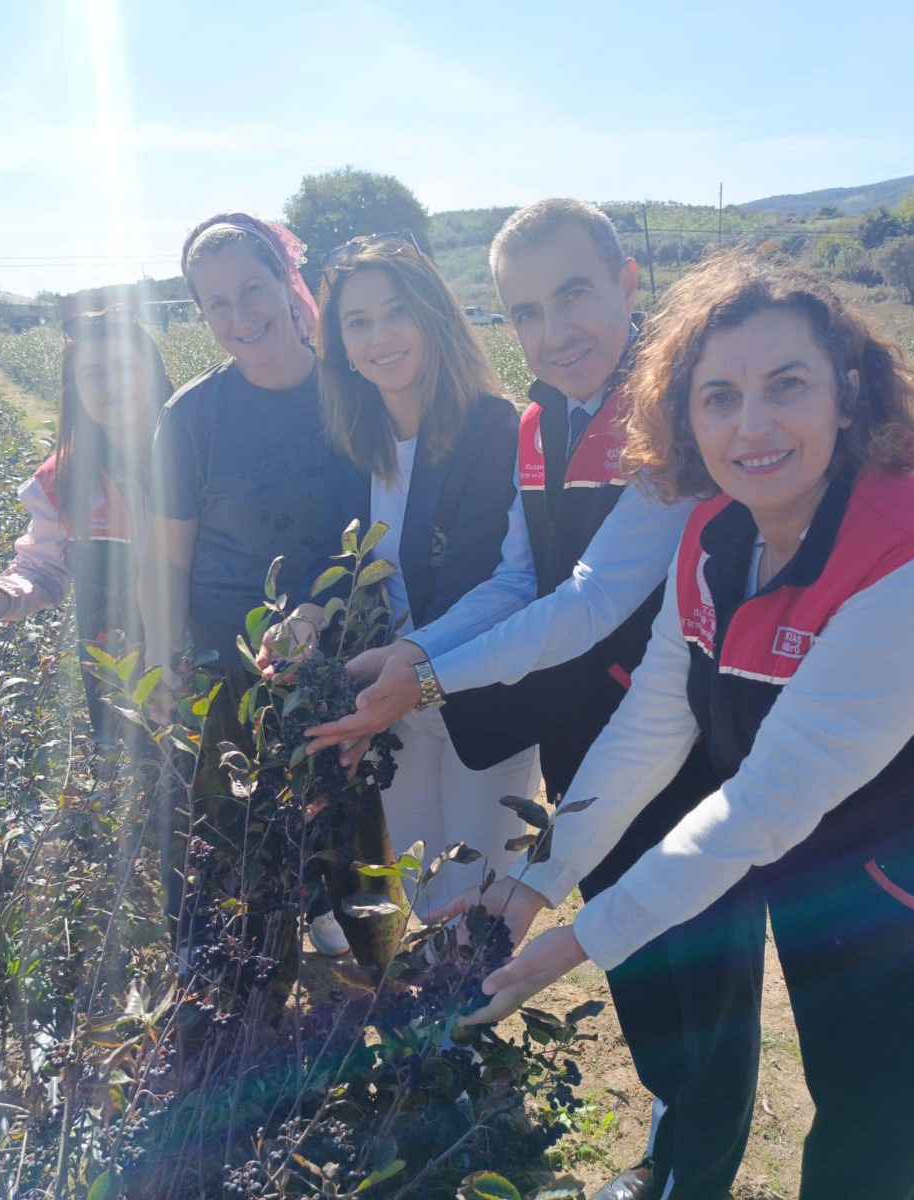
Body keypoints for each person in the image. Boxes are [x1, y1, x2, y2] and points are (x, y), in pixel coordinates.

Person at [440, 251, 914, 1200]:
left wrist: (576, 944)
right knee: (842, 1117)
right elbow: (653, 724)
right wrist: (537, 883)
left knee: (860, 1173)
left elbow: (764, 803)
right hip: (835, 906)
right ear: (683, 418)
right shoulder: (718, 535)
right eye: (718, 397)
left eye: (786, 384)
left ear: (848, 393)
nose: (751, 424)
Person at [304, 200, 753, 1198]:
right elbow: (517, 582)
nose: (555, 330)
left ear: (628, 281)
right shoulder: (544, 421)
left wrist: (418, 680)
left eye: (574, 295)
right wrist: (412, 652)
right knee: (633, 956)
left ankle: (695, 1175)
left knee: (703, 982)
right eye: (527, 310)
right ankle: (660, 1157)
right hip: (586, 737)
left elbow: (590, 603)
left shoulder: (669, 413)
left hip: (689, 743)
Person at [273, 231, 539, 914]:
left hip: (481, 695)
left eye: (397, 312)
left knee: (475, 900)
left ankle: (464, 1023)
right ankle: (437, 1024)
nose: (380, 336)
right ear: (341, 346)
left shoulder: (490, 427)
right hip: (394, 704)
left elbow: (500, 584)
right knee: (424, 893)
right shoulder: (353, 444)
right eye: (357, 322)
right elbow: (332, 560)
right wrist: (306, 616)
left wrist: (407, 663)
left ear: (433, 317)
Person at [148, 212, 363, 957]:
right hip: (226, 660)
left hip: (337, 648)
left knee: (328, 801)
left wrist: (314, 612)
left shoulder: (352, 394)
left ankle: (322, 908)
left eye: (252, 289)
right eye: (217, 305)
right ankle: (229, 967)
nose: (241, 317)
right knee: (231, 818)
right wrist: (168, 661)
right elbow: (169, 562)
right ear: (201, 316)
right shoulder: (192, 418)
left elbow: (377, 526)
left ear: (285, 281)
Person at [0, 289, 172, 754]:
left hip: (193, 655)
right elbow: (44, 567)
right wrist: (0, 595)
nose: (110, 385)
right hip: (114, 664)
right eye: (93, 374)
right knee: (134, 776)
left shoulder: (196, 456)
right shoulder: (62, 480)